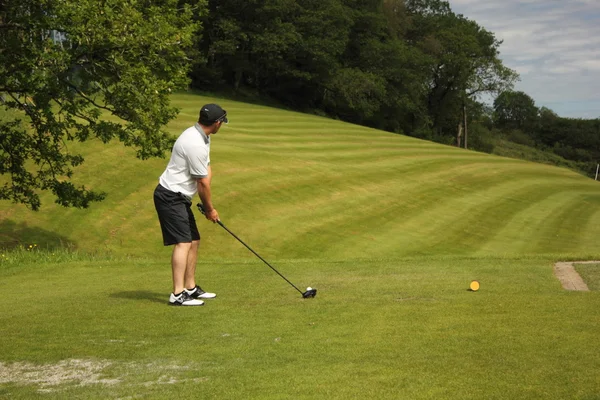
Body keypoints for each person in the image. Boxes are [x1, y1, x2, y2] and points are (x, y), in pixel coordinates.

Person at [153, 103, 228, 306]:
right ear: (217, 123)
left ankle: (190, 287)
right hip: (169, 196)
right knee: (183, 242)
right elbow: (202, 182)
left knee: (193, 240)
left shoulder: (202, 136)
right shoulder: (194, 143)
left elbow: (206, 170)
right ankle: (178, 294)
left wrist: (206, 199)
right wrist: (210, 209)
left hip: (180, 196)